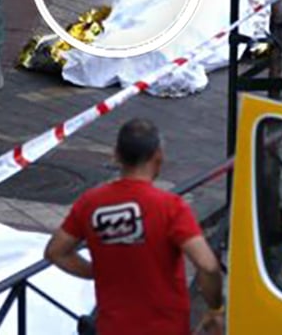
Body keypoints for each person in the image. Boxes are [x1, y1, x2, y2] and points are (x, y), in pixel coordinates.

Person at [44, 118, 225, 335]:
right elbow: (207, 265)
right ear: (159, 156)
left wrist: (96, 272)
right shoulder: (170, 207)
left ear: (116, 155)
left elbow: (56, 252)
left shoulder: (90, 203)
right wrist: (215, 309)